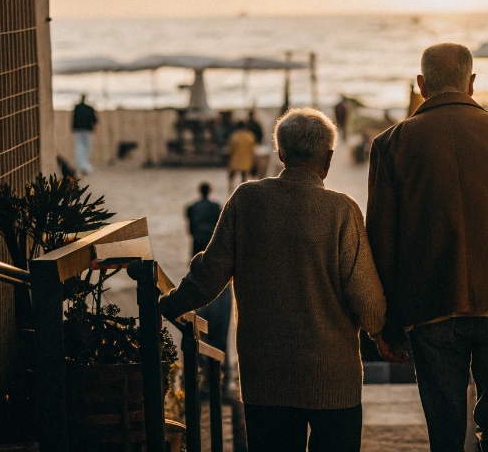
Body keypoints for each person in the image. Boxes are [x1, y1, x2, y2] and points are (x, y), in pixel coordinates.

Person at [160, 108, 402, 452]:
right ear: (329, 158)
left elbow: (208, 275)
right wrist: (382, 333)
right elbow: (365, 298)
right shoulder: (342, 210)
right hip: (333, 379)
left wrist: (169, 304)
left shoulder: (246, 199)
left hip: (266, 378)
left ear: (281, 153)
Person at [366, 43, 488, 452]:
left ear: (421, 85)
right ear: (472, 84)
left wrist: (387, 324)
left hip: (431, 305)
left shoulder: (391, 144)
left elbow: (382, 240)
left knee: (445, 436)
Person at [185, 182, 233, 398]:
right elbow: (219, 228)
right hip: (209, 242)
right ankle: (221, 381)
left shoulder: (191, 207)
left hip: (197, 241)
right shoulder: (216, 207)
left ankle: (203, 380)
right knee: (219, 339)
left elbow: (190, 227)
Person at [72, 94, 97, 175]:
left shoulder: (77, 108)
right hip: (87, 130)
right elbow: (94, 120)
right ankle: (84, 165)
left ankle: (81, 164)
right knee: (86, 148)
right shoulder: (89, 108)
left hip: (78, 130)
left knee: (79, 146)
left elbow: (73, 119)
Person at [226, 121, 256, 189]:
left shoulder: (234, 136)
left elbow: (230, 149)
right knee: (244, 175)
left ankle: (230, 186)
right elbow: (253, 149)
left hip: (235, 159)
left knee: (232, 174)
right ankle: (243, 187)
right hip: (246, 159)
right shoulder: (250, 136)